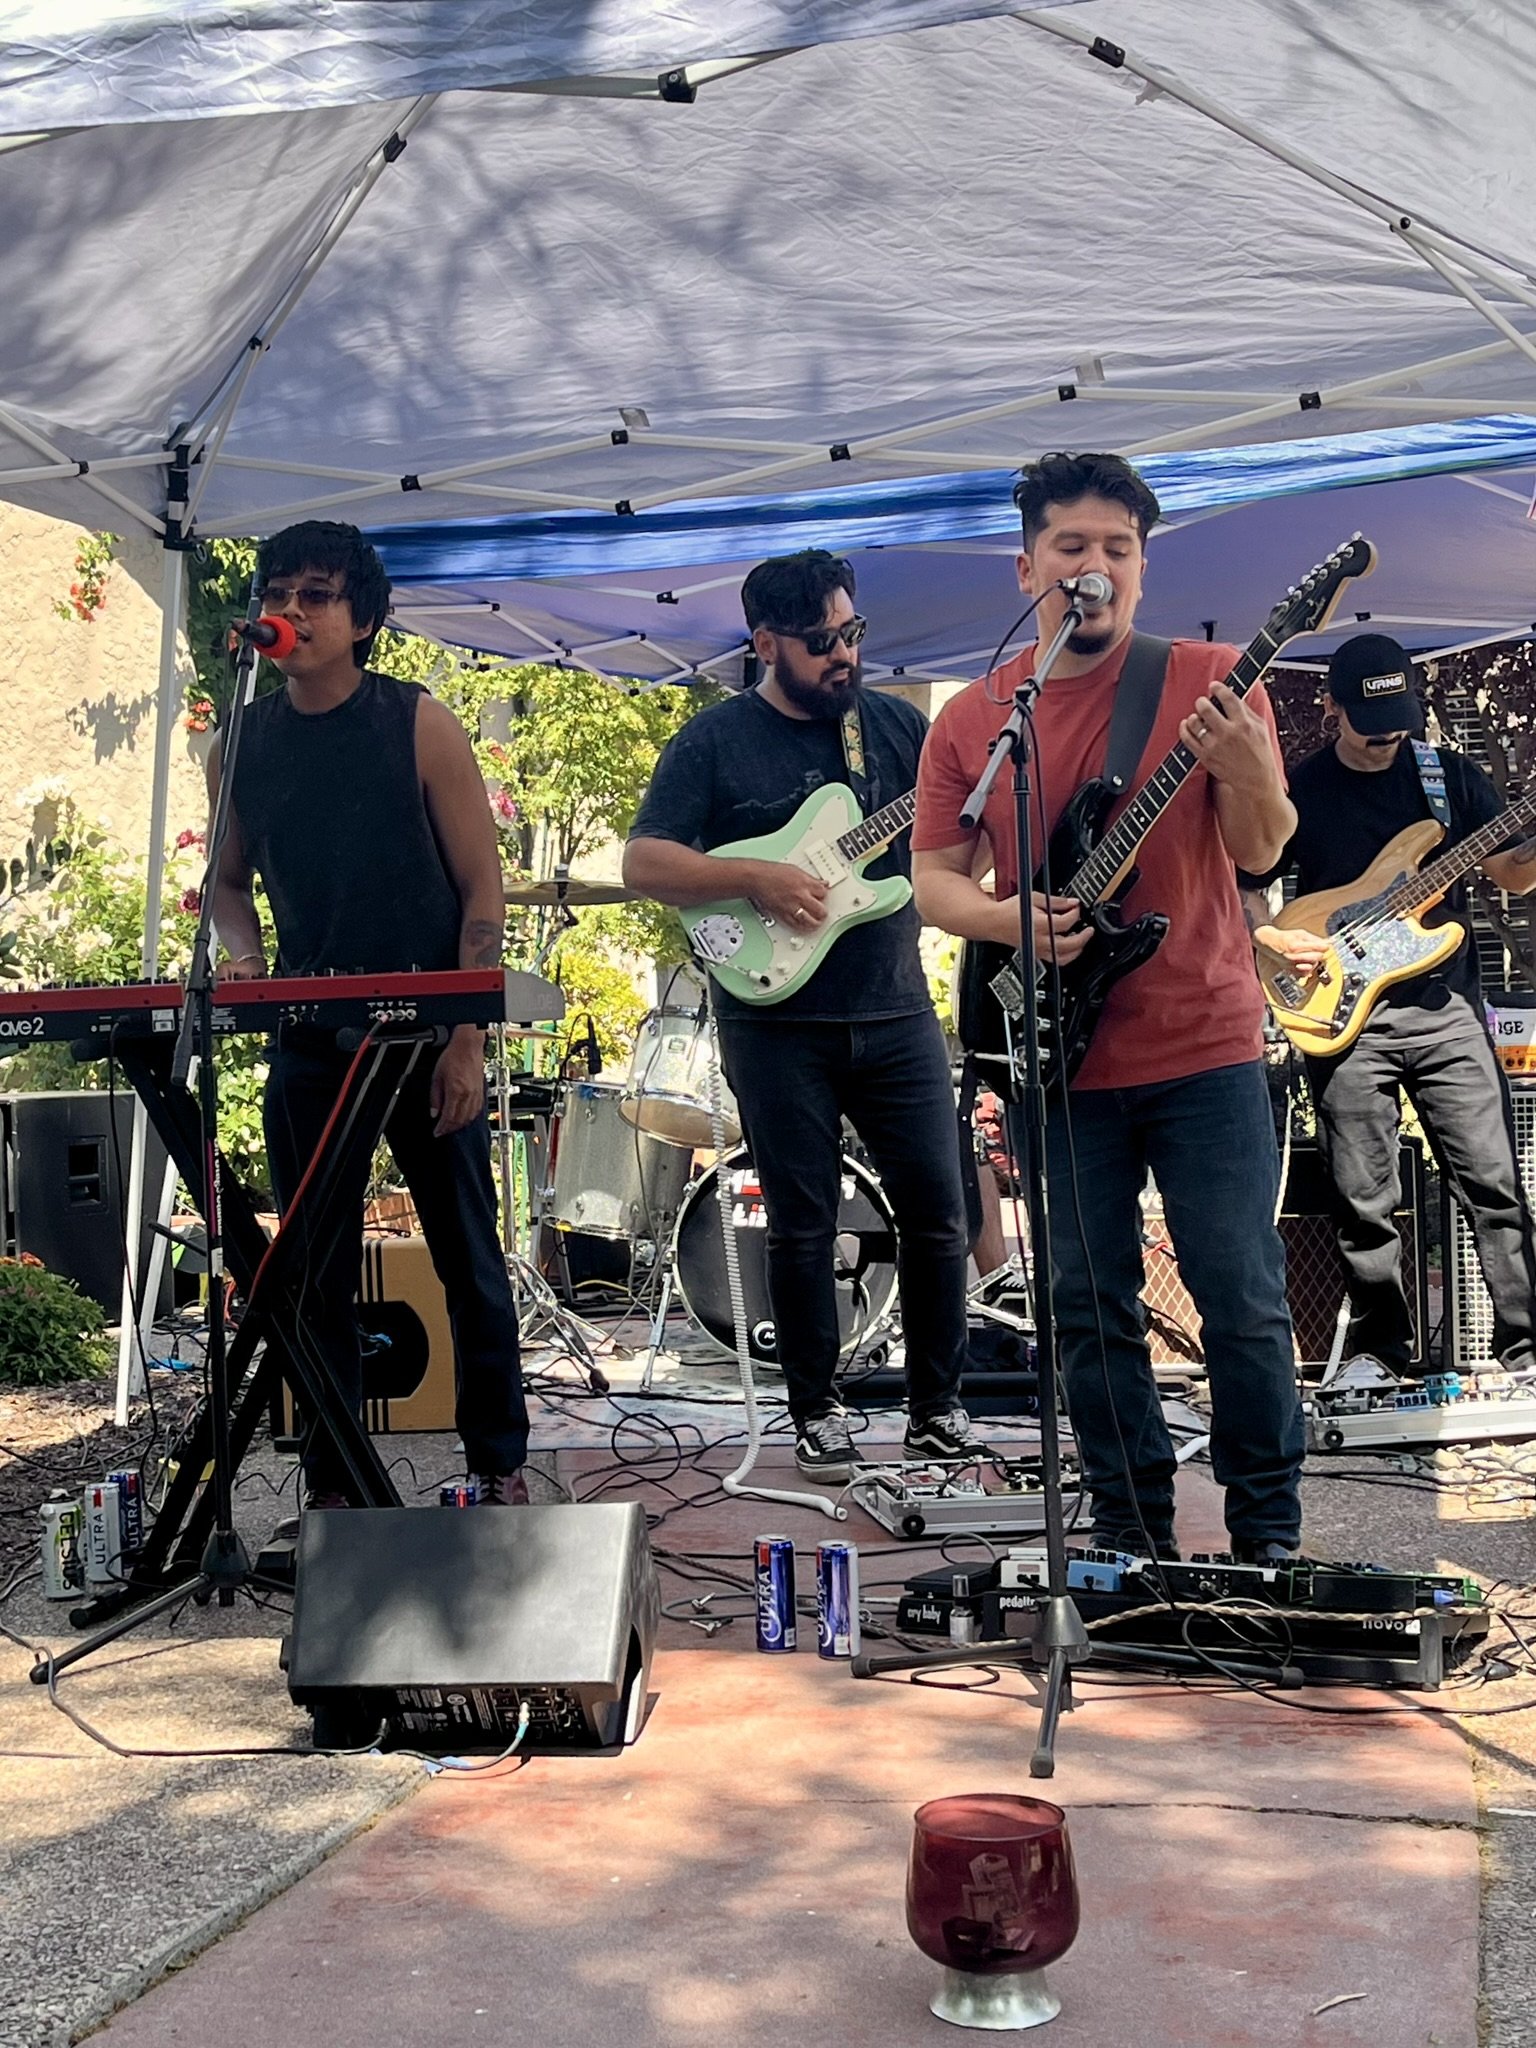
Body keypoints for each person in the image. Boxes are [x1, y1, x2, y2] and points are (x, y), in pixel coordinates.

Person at [911, 450, 1305, 1564]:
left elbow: (1262, 851)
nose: (1097, 565)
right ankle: (1131, 1531)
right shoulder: (976, 718)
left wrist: (1250, 768)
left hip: (1206, 1042)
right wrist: (1011, 921)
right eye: (1073, 546)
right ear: (1026, 566)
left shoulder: (1215, 678)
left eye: (1118, 549)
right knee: (1087, 1303)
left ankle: (1268, 1537)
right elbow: (933, 879)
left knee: (1241, 1294)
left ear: (1143, 565)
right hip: (1060, 1054)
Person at [623, 549, 975, 1481]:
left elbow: (951, 839)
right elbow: (646, 863)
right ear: (766, 642)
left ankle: (939, 1411)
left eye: (852, 632)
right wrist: (757, 877)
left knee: (939, 1214)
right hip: (775, 1020)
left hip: (894, 1007)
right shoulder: (713, 741)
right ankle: (816, 1413)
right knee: (803, 1223)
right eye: (822, 641)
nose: (844, 653)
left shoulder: (896, 728)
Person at [207, 520, 531, 1507]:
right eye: (278, 593)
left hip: (429, 1027)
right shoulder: (240, 743)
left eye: (316, 594)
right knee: (314, 1270)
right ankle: (337, 1483)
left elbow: (481, 892)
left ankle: (498, 1465)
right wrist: (246, 959)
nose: (292, 611)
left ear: (363, 619)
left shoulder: (418, 722)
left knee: (468, 1254)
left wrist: (467, 1038)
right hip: (312, 1031)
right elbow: (226, 883)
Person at [1242, 633, 1536, 1380]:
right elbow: (1246, 888)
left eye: (1397, 727)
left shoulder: (1448, 777)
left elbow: (1512, 876)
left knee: (1494, 1185)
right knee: (1362, 1198)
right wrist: (1272, 940)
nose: (1385, 741)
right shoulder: (1304, 789)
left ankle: (1525, 1346)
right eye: (1371, 728)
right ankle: (1380, 1353)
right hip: (1342, 1014)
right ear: (1333, 707)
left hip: (1445, 1011)